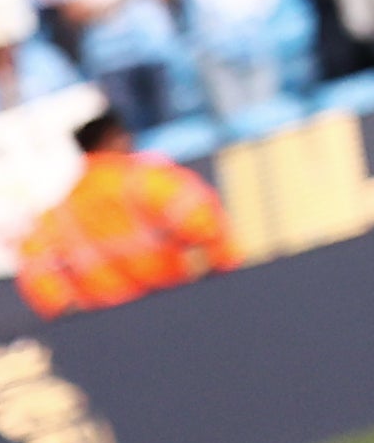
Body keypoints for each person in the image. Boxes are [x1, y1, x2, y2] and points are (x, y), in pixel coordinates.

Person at [18, 106, 233, 315]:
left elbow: (38, 269)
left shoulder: (61, 212)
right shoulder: (147, 181)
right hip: (181, 306)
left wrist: (74, 315)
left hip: (114, 329)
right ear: (115, 137)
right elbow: (205, 225)